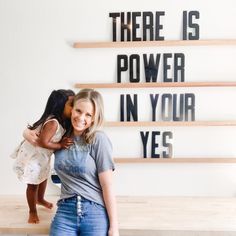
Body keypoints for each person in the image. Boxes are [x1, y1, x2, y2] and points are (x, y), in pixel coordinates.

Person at [49, 88, 119, 236]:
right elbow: (34, 135)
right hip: (65, 211)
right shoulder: (59, 136)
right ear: (71, 110)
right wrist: (26, 133)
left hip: (94, 212)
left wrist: (114, 226)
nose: (81, 117)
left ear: (94, 118)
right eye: (78, 111)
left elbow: (107, 185)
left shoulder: (98, 139)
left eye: (88, 114)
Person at [12, 89, 75, 224]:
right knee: (33, 183)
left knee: (43, 177)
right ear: (60, 105)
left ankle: (40, 199)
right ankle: (32, 211)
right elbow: (43, 142)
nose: (74, 108)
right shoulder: (53, 122)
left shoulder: (63, 121)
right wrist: (60, 145)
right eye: (71, 104)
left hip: (42, 156)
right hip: (34, 156)